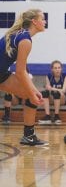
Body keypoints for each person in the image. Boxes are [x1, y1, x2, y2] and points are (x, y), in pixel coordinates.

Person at [0, 9, 47, 146]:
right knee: (31, 95)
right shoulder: (25, 39)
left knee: (31, 95)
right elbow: (20, 72)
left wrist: (33, 91)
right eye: (42, 19)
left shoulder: (22, 35)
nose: (45, 22)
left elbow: (22, 72)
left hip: (2, 73)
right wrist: (32, 92)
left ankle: (29, 136)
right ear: (34, 21)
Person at [39, 60, 66, 125]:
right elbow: (47, 89)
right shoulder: (49, 76)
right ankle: (47, 116)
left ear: (61, 69)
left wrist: (52, 88)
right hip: (52, 98)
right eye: (55, 68)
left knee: (56, 93)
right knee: (44, 93)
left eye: (59, 68)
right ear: (52, 69)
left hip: (63, 99)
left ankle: (56, 116)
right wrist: (53, 89)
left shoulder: (65, 76)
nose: (57, 70)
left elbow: (63, 91)